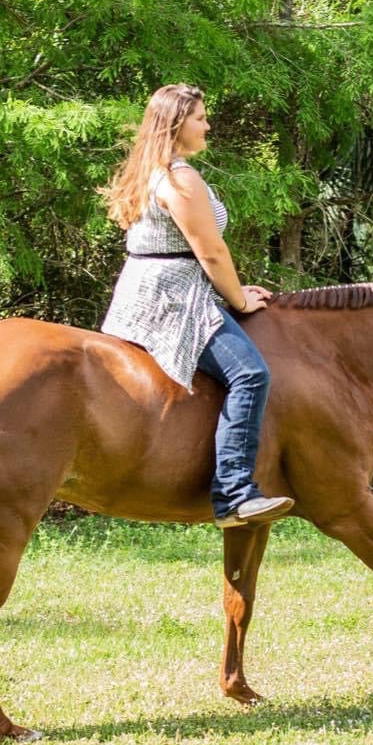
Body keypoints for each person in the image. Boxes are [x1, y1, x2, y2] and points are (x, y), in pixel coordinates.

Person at [100, 83, 294, 529]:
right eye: (200, 117)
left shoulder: (151, 172)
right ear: (176, 123)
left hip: (144, 292)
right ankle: (234, 495)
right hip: (173, 299)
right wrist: (240, 298)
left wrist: (235, 292)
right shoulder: (180, 177)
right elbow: (210, 253)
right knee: (250, 373)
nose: (208, 125)